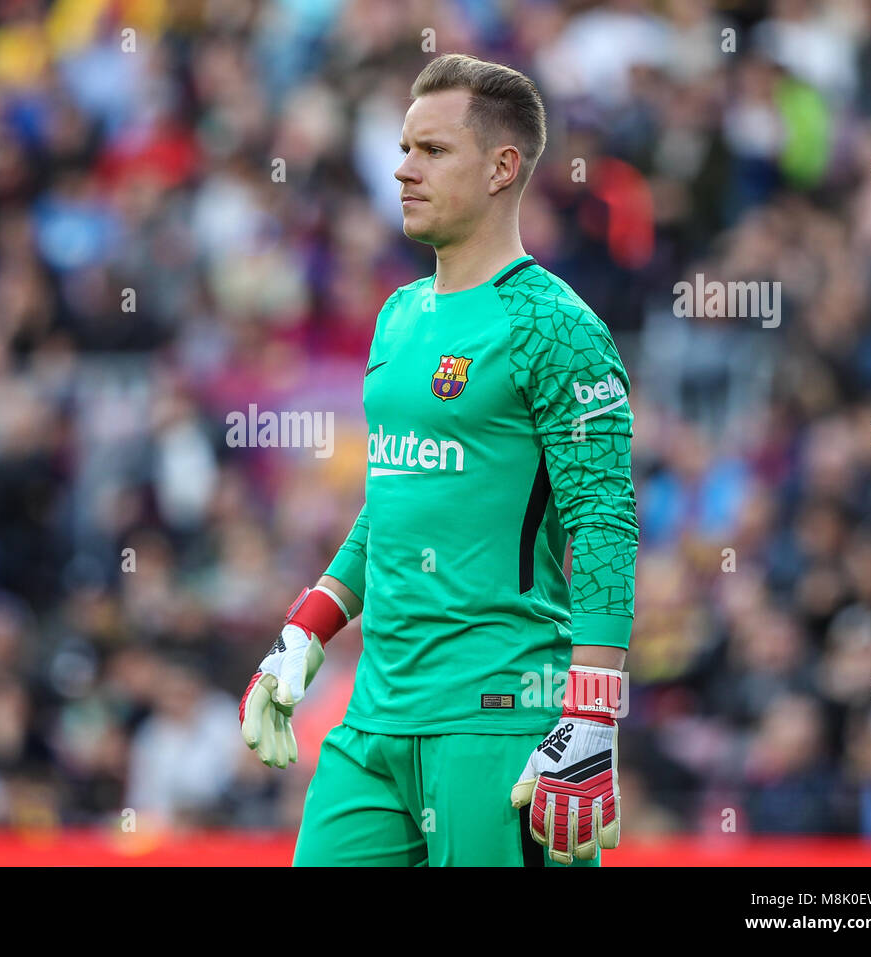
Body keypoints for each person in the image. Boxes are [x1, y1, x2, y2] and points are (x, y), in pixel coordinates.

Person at [239, 53, 638, 866]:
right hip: (375, 718)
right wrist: (307, 629)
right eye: (404, 147)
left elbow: (604, 521)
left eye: (431, 150)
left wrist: (593, 712)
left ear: (502, 167)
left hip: (500, 717)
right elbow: (396, 493)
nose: (403, 168)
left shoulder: (557, 329)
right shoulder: (397, 315)